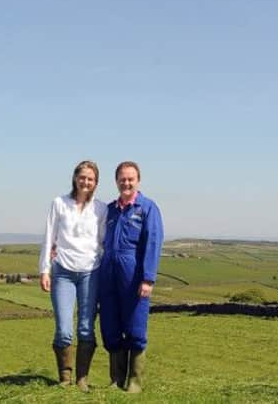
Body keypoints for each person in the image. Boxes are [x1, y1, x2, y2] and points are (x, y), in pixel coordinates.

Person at [38, 160, 107, 391]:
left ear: (96, 183)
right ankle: (65, 378)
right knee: (64, 329)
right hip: (63, 273)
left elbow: (104, 242)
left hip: (90, 272)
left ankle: (82, 379)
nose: (85, 182)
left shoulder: (101, 208)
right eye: (82, 177)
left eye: (91, 179)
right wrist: (44, 269)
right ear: (75, 178)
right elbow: (49, 238)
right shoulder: (59, 203)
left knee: (86, 327)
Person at [98, 161, 164, 393]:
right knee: (110, 326)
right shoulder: (110, 210)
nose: (126, 183)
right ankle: (116, 380)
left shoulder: (147, 208)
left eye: (130, 179)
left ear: (138, 180)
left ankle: (135, 381)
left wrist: (148, 278)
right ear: (116, 181)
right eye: (122, 179)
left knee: (135, 327)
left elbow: (153, 244)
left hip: (133, 274)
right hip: (108, 274)